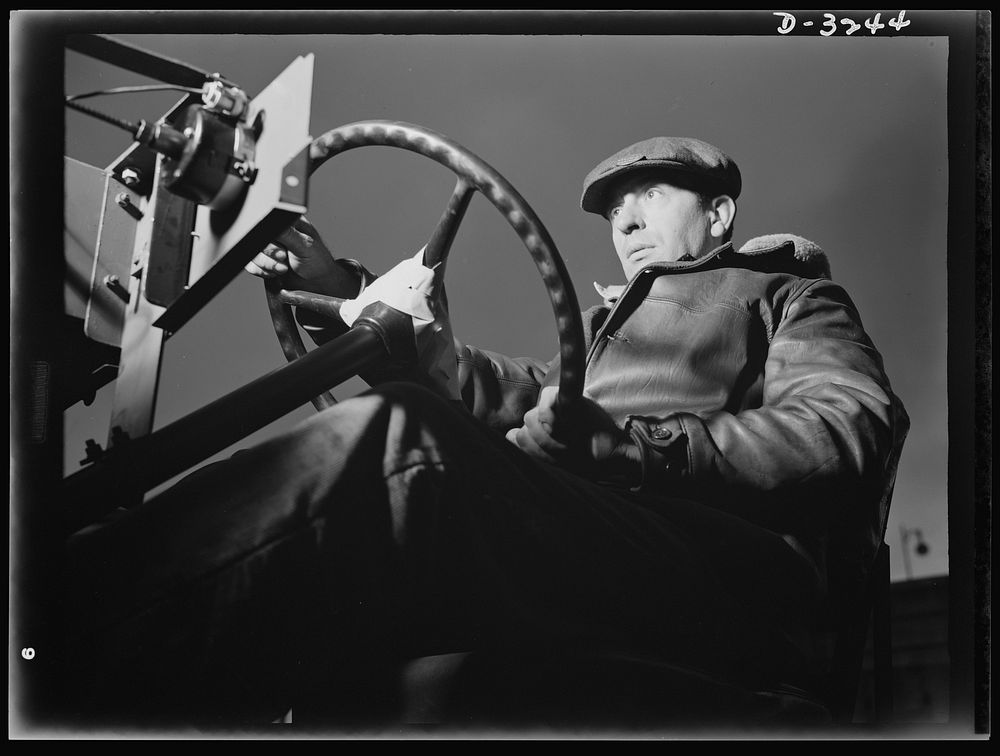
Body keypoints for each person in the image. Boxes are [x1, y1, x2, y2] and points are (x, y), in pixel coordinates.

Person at [61, 137, 907, 731]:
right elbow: (490, 390)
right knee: (367, 682)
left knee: (408, 444)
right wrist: (335, 285)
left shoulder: (786, 298)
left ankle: (67, 633)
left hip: (722, 571)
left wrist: (630, 451)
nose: (627, 215)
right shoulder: (599, 334)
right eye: (616, 205)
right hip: (591, 541)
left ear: (719, 213)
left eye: (652, 195)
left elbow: (847, 430)